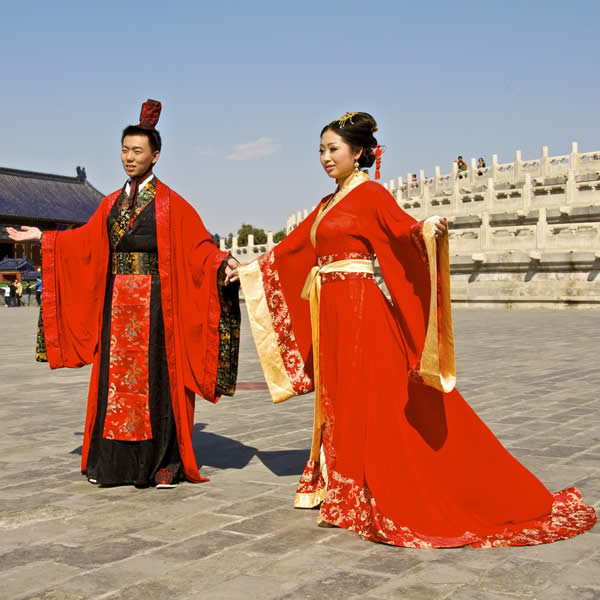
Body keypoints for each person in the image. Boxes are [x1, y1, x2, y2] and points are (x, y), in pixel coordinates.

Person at [235, 111, 596, 547]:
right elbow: (294, 247)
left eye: (333, 149)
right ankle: (345, 487)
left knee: (371, 396)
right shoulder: (329, 202)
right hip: (329, 310)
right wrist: (252, 270)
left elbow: (400, 229)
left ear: (357, 152)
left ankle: (376, 484)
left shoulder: (370, 194)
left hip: (360, 308)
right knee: (341, 397)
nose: (325, 158)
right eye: (321, 151)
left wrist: (425, 229)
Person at [7, 99, 241, 489]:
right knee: (114, 385)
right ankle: (113, 463)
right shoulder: (110, 203)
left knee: (158, 384)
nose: (129, 158)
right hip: (116, 306)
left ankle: (165, 462)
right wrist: (44, 238)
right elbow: (85, 241)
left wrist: (222, 261)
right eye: (124, 150)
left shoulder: (171, 203)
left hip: (155, 306)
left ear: (156, 155)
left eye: (137, 151)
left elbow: (197, 246)